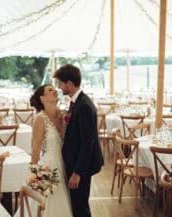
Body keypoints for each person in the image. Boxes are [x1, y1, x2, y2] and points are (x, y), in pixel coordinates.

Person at [14, 84, 73, 217]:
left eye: (54, 89)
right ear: (42, 98)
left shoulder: (64, 115)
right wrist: (36, 176)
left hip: (66, 164)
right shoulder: (40, 119)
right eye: (50, 90)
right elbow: (35, 150)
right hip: (49, 167)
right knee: (46, 205)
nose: (55, 91)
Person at [53, 64, 104, 217]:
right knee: (77, 205)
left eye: (60, 83)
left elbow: (88, 143)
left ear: (69, 83)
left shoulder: (84, 106)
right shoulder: (77, 102)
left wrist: (77, 173)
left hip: (81, 166)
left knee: (80, 207)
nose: (59, 87)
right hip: (76, 162)